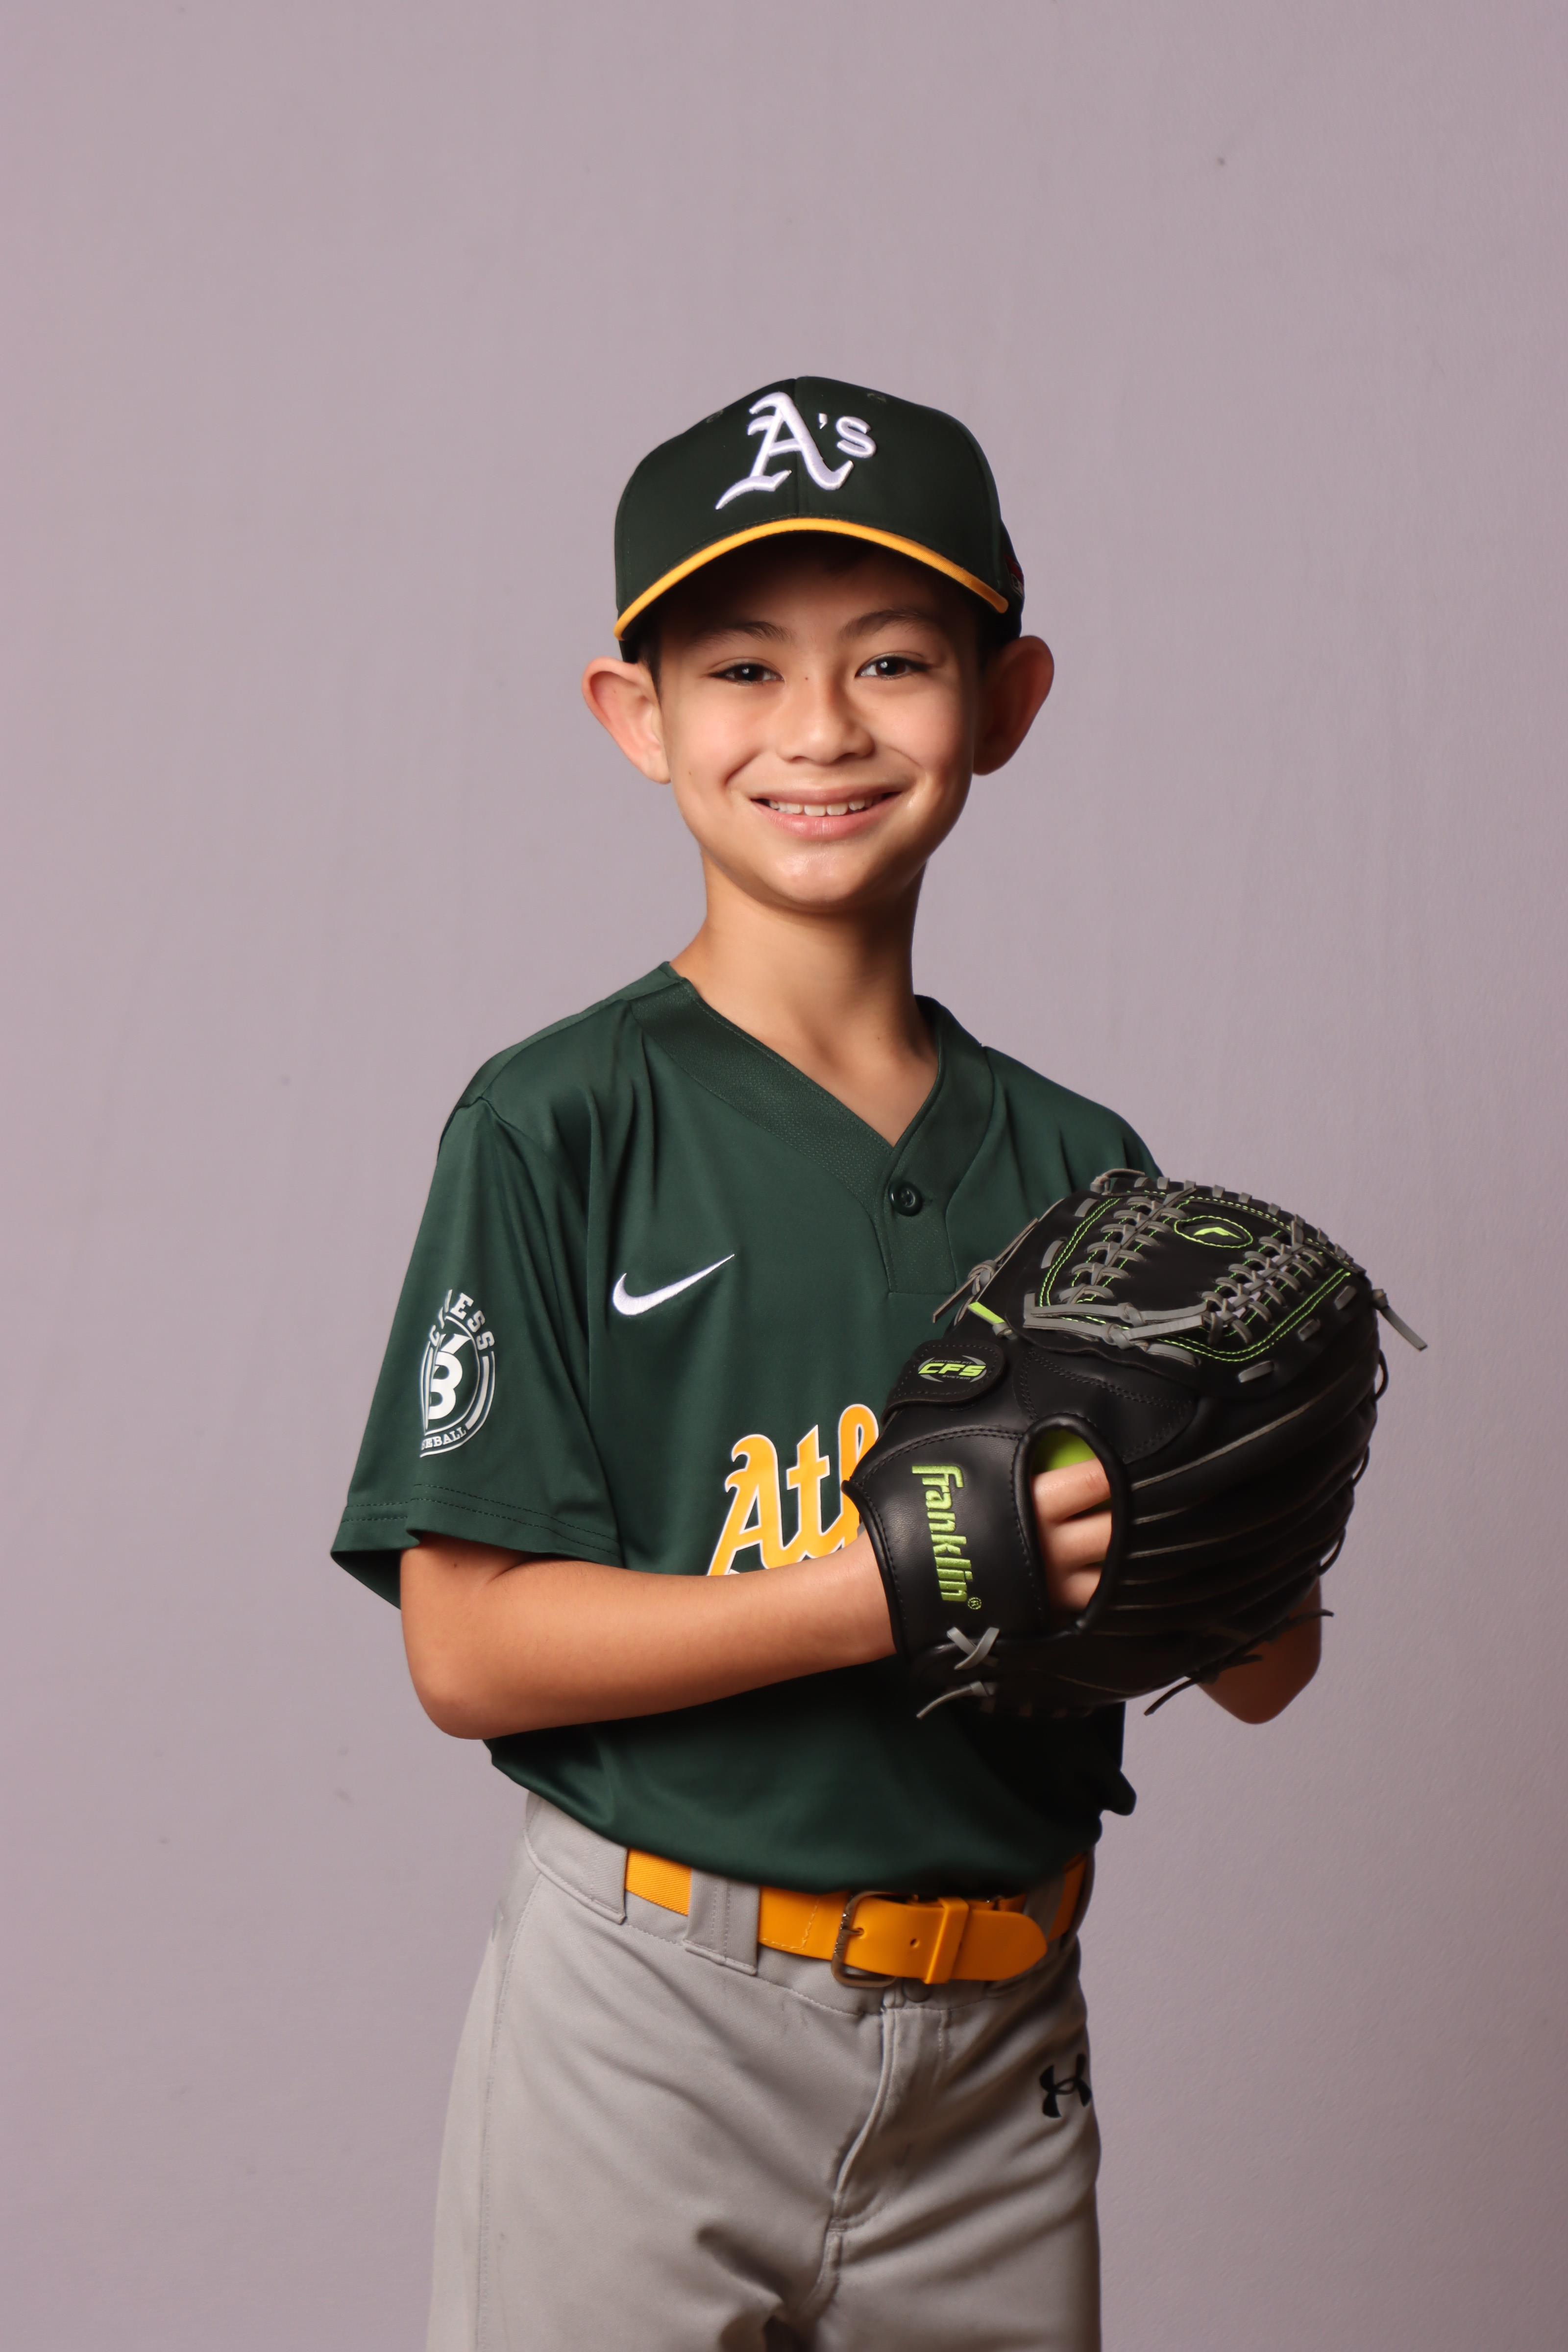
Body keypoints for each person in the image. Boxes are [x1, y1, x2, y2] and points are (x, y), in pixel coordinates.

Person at [332, 378, 1321, 2351]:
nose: (818, 729)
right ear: (635, 716)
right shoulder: (559, 1122)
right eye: (738, 667)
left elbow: (1263, 1673)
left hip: (1001, 2045)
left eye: (892, 659)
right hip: (652, 2015)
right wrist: (879, 1589)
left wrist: (1228, 1531)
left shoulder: (1084, 1168)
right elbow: (466, 1652)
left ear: (1006, 700)